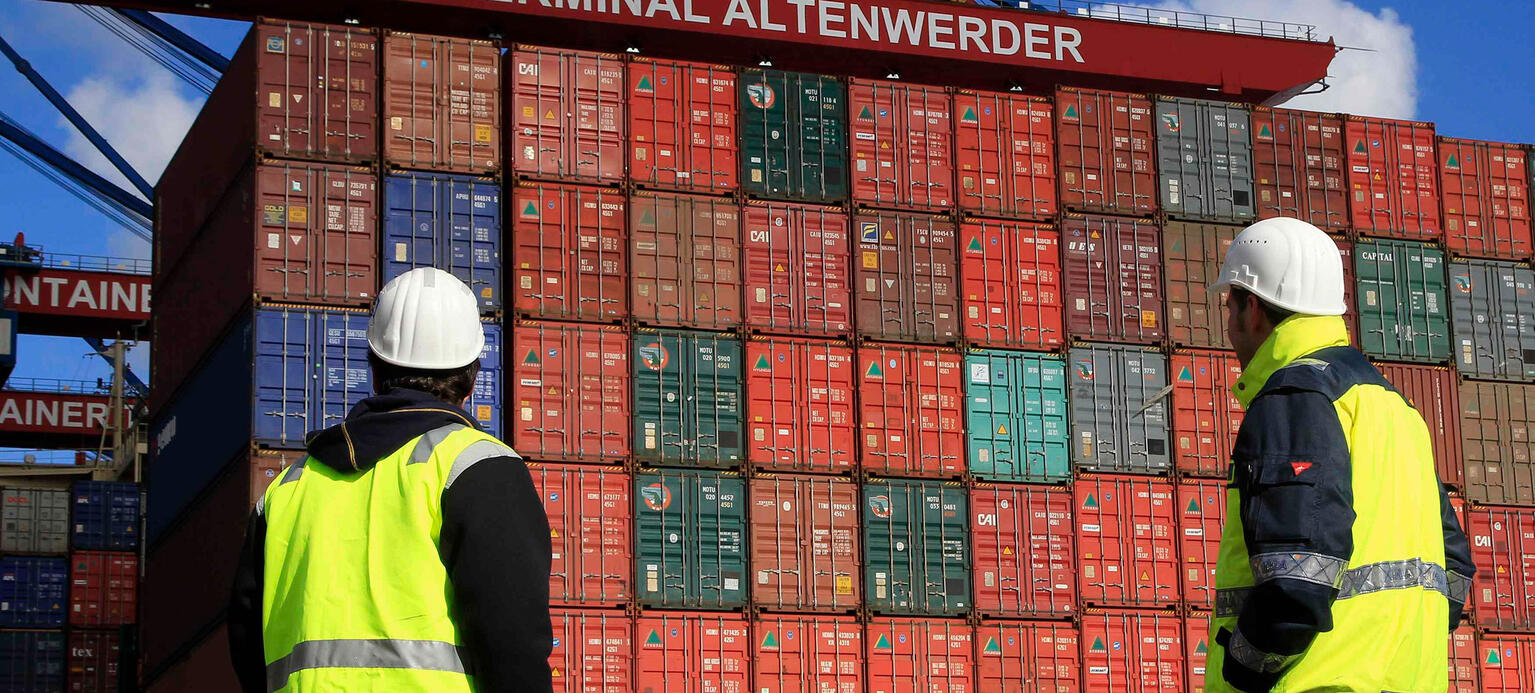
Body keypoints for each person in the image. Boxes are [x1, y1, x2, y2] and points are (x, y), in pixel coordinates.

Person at [228, 267, 553, 692]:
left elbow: (247, 642)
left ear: (375, 369)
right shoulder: (476, 467)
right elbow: (512, 644)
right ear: (471, 377)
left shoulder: (288, 488)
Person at [1205, 217, 1474, 692]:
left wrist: (1242, 668)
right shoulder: (1397, 410)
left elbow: (1296, 584)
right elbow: (1454, 571)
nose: (1228, 327)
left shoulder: (1293, 397)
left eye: (1229, 307)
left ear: (1252, 309)